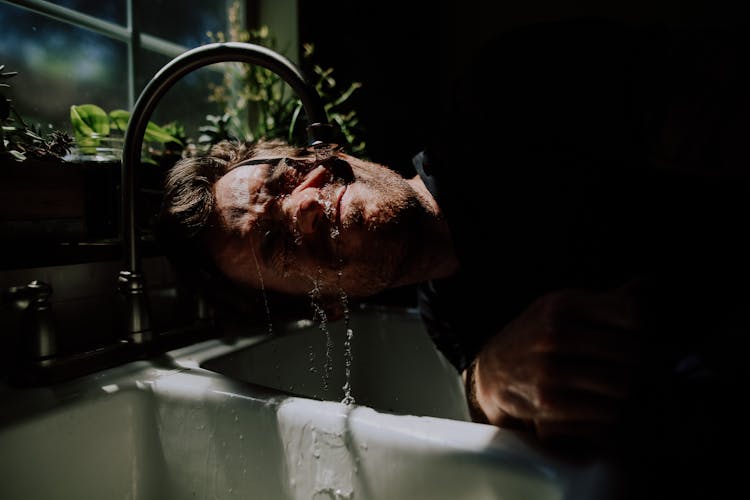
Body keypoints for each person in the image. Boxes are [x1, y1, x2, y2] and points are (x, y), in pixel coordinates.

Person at [157, 17, 750, 500]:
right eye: (275, 244)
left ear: (324, 146)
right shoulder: (448, 316)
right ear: (329, 307)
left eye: (286, 177)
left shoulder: (507, 94)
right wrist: (487, 385)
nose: (306, 201)